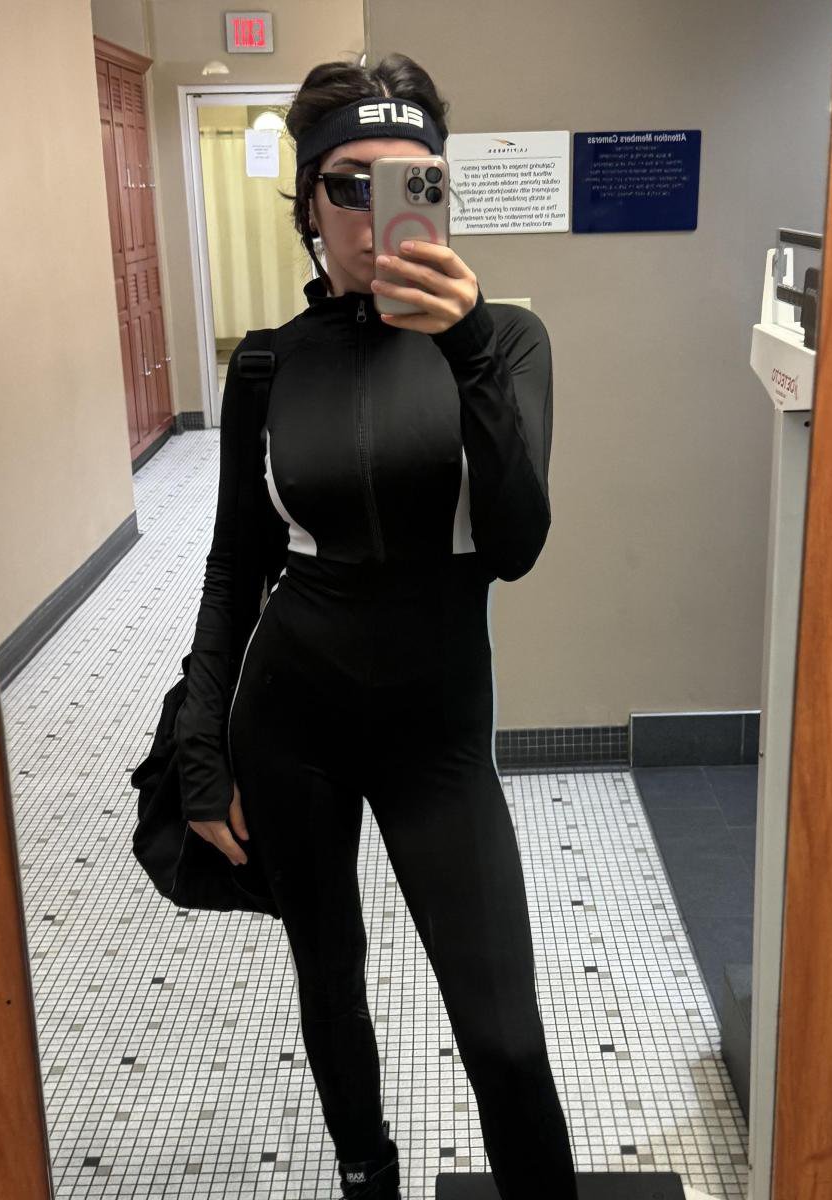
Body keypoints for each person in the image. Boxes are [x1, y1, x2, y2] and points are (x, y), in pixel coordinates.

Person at [171, 52, 578, 1200]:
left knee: (502, 1033)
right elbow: (236, 565)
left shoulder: (505, 343)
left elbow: (515, 544)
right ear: (306, 204)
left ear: (440, 194)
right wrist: (202, 744)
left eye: (410, 182)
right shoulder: (267, 365)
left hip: (435, 737)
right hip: (290, 720)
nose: (372, 211)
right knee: (330, 983)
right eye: (346, 183)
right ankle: (367, 1176)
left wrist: (464, 346)